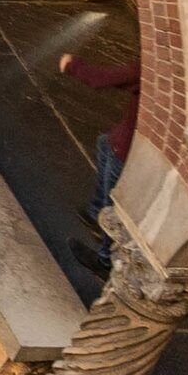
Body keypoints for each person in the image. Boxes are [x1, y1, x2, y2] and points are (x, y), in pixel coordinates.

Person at [60, 48, 142, 270]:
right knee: (104, 143)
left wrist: (71, 64)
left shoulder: (151, 68)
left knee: (112, 205)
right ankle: (95, 213)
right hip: (121, 140)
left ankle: (105, 260)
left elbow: (101, 79)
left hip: (127, 151)